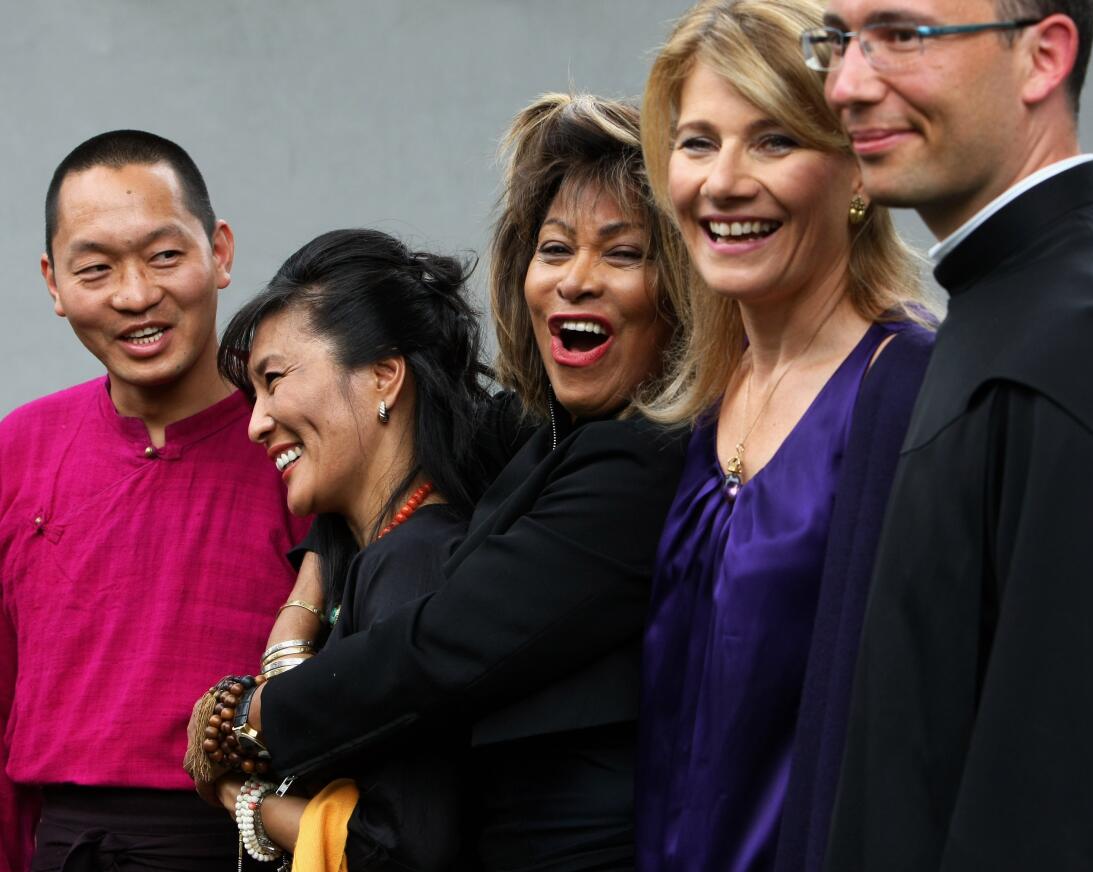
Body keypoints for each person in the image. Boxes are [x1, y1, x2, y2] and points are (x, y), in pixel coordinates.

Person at [194, 94, 690, 870]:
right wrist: (308, 591)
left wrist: (253, 725)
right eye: (554, 249)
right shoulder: (540, 442)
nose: (575, 280)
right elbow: (401, 441)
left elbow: (437, 649)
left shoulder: (640, 463)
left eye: (622, 253)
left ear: (682, 288)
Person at [808, 0, 1093, 868]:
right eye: (837, 40)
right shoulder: (1014, 305)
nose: (845, 84)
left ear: (1043, 56)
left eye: (901, 36)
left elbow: (1069, 811)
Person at [633, 2, 935, 870]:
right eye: (697, 142)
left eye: (774, 140)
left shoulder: (907, 387)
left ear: (859, 171)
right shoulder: (702, 401)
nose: (723, 181)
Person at [0, 130, 309, 871]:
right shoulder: (20, 447)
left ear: (221, 251)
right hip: (60, 837)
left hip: (232, 836)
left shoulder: (294, 438)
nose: (136, 295)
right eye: (96, 268)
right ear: (52, 283)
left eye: (165, 256)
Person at [199, 228, 493, 870]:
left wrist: (246, 804)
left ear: (384, 376)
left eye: (274, 380)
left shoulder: (414, 560)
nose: (255, 423)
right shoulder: (383, 551)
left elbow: (404, 847)